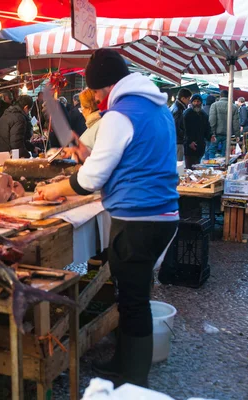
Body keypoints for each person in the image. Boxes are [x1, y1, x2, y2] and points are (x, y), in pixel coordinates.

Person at [34, 49, 179, 388]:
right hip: (160, 216)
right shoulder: (158, 109)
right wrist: (86, 154)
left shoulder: (119, 115)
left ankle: (133, 381)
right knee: (132, 293)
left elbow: (90, 181)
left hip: (139, 220)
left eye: (98, 92)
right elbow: (129, 158)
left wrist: (56, 190)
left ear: (109, 85)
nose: (98, 99)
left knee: (133, 300)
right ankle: (124, 363)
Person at [207, 90, 239, 160]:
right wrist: (237, 135)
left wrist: (212, 133)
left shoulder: (214, 105)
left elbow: (212, 120)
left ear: (220, 96)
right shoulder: (234, 107)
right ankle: (224, 168)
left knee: (212, 151)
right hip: (227, 134)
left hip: (216, 133)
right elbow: (236, 122)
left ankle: (211, 167)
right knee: (225, 153)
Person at [183, 94, 213, 169]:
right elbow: (183, 130)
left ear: (201, 102)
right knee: (189, 167)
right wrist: (189, 142)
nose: (196, 103)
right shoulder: (187, 114)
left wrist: (210, 136)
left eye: (198, 101)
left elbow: (207, 128)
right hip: (189, 147)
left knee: (197, 166)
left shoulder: (204, 115)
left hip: (200, 146)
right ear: (192, 102)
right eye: (195, 101)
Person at [170, 88, 191, 161]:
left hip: (174, 141)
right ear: (183, 98)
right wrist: (183, 136)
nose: (189, 102)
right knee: (178, 165)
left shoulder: (174, 107)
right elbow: (176, 127)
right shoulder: (178, 110)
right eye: (188, 99)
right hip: (178, 142)